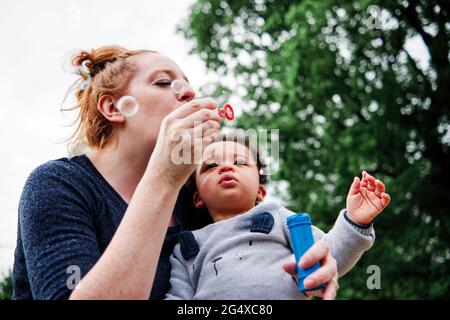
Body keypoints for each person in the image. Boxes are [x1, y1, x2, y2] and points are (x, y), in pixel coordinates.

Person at [12, 45, 340, 300]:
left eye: (188, 87)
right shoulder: (58, 185)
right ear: (113, 108)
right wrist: (165, 176)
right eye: (165, 82)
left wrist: (317, 264)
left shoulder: (194, 199)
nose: (187, 94)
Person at [166, 134, 391, 299]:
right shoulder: (187, 246)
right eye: (211, 166)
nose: (225, 168)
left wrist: (355, 219)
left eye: (239, 162)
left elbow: (327, 257)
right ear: (197, 198)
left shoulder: (277, 217)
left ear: (260, 192)